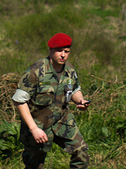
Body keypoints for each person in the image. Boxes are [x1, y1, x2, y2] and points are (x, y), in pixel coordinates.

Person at [12, 33, 90, 169]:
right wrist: (34, 129)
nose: (63, 55)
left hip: (62, 121)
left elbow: (75, 90)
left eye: (66, 51)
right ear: (51, 50)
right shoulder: (35, 71)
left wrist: (80, 101)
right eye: (59, 51)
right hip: (38, 124)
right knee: (35, 164)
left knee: (80, 151)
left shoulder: (70, 70)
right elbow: (19, 101)